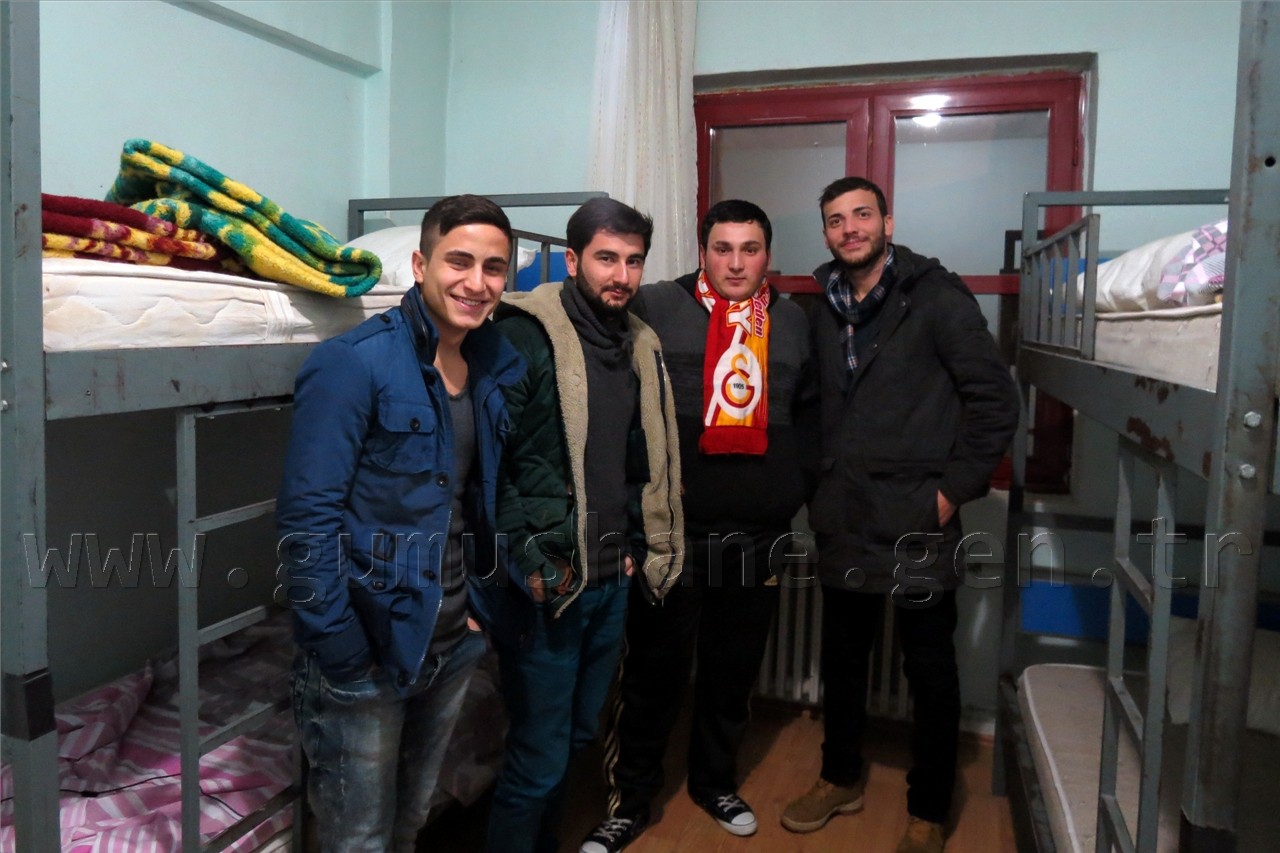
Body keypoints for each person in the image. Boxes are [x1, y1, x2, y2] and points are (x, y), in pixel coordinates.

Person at [276, 195, 526, 851]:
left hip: (450, 642)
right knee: (357, 840)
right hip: (368, 651)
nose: (477, 282)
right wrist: (340, 646)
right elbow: (307, 519)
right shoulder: (354, 363)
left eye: (494, 268)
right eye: (459, 261)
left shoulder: (491, 366)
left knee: (410, 823)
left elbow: (475, 500)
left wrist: (476, 611)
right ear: (420, 264)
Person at [780, 177, 1019, 853]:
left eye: (862, 214)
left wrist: (948, 495)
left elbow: (995, 403)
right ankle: (839, 777)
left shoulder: (936, 299)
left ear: (887, 222)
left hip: (918, 516)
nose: (850, 228)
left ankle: (928, 809)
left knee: (930, 670)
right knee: (842, 659)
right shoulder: (821, 307)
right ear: (826, 233)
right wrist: (813, 484)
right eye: (836, 220)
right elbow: (808, 406)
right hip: (843, 513)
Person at [579, 199, 818, 853]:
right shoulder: (655, 304)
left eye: (750, 249)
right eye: (722, 248)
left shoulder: (794, 322)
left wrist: (793, 489)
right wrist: (641, 483)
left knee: (730, 674)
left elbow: (812, 418)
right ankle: (630, 801)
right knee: (652, 675)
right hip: (672, 534)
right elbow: (613, 399)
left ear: (767, 255)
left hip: (759, 535)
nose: (736, 263)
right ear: (702, 250)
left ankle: (715, 783)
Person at [484, 197, 684, 853]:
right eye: (606, 258)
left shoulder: (637, 345)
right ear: (572, 261)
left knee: (574, 738)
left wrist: (633, 545)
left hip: (610, 580)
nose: (621, 275)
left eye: (633, 260)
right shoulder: (526, 336)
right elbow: (491, 464)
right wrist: (530, 559)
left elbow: (639, 461)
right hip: (550, 583)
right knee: (538, 757)